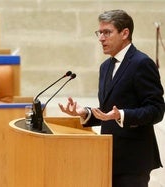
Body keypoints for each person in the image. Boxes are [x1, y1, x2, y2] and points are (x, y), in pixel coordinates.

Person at [59, 10, 165, 187]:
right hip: (108, 156)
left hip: (133, 160)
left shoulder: (141, 63)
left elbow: (156, 110)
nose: (101, 38)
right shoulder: (105, 67)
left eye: (107, 32)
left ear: (125, 33)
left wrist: (121, 115)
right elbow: (108, 112)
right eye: (99, 33)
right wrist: (85, 113)